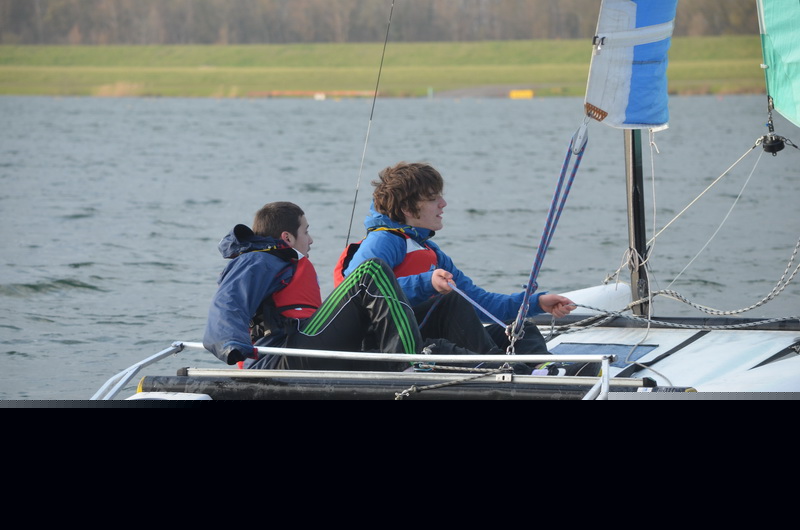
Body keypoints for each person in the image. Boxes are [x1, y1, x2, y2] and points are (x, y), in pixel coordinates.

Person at [203, 201, 489, 372]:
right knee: (371, 270)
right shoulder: (259, 260)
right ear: (287, 237)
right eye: (306, 231)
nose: (311, 240)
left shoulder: (284, 264)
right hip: (282, 358)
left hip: (307, 349)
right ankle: (407, 363)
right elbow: (228, 302)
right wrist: (230, 345)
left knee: (446, 303)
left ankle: (502, 367)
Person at [334, 162, 575, 356]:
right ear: (407, 208)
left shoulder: (431, 251)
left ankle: (546, 370)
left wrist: (535, 303)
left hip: (431, 336)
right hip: (391, 344)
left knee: (522, 329)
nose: (443, 204)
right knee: (450, 302)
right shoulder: (384, 241)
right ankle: (501, 369)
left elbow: (479, 302)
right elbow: (358, 291)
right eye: (432, 198)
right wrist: (426, 283)